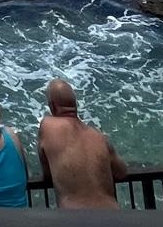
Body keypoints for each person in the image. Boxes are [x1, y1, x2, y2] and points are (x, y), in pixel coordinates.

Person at [36, 78, 128, 209]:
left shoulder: (48, 126)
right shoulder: (99, 137)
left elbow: (46, 171)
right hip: (113, 216)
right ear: (75, 104)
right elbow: (121, 172)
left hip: (76, 218)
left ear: (52, 106)